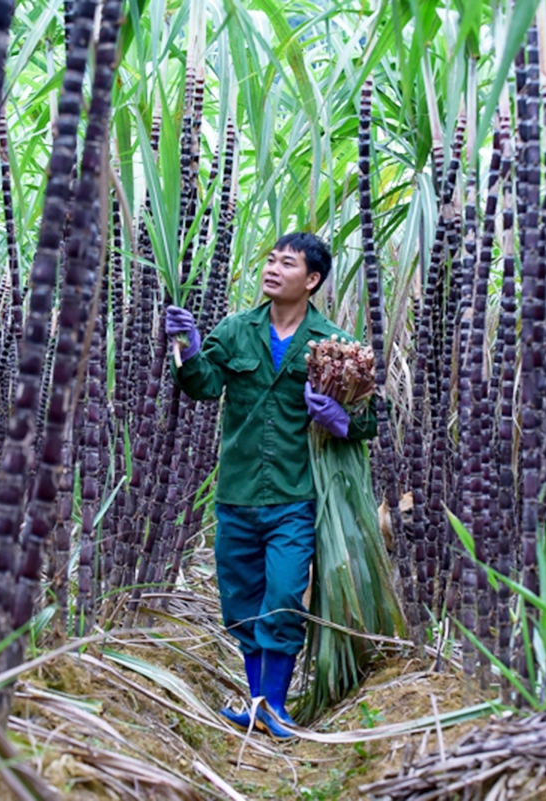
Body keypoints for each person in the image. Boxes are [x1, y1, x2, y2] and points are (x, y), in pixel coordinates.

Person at [166, 232, 376, 739]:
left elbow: (370, 421)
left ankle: (275, 706)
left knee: (282, 595)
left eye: (289, 263)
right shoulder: (237, 330)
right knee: (241, 602)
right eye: (271, 260)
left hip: (295, 496)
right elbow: (203, 386)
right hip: (237, 494)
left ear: (313, 280)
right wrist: (187, 345)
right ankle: (258, 702)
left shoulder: (333, 345)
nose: (274, 269)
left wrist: (341, 419)